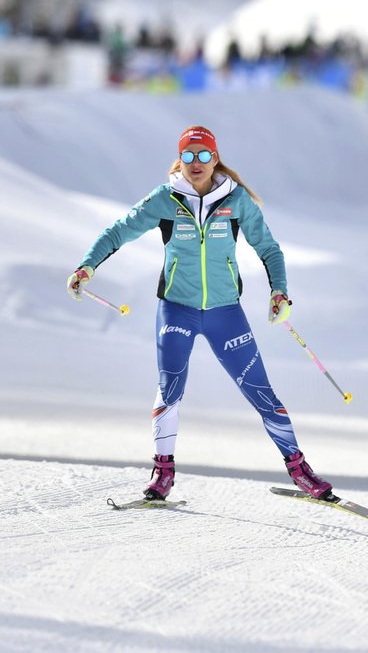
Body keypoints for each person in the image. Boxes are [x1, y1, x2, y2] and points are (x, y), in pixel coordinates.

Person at [67, 125, 332, 502]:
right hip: (177, 309)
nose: (196, 163)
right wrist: (86, 267)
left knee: (261, 391)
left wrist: (279, 291)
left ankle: (299, 469)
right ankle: (163, 471)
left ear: (215, 158)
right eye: (189, 155)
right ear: (180, 158)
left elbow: (269, 249)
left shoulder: (236, 200)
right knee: (169, 389)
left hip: (226, 313)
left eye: (204, 155)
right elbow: (118, 232)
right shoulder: (165, 199)